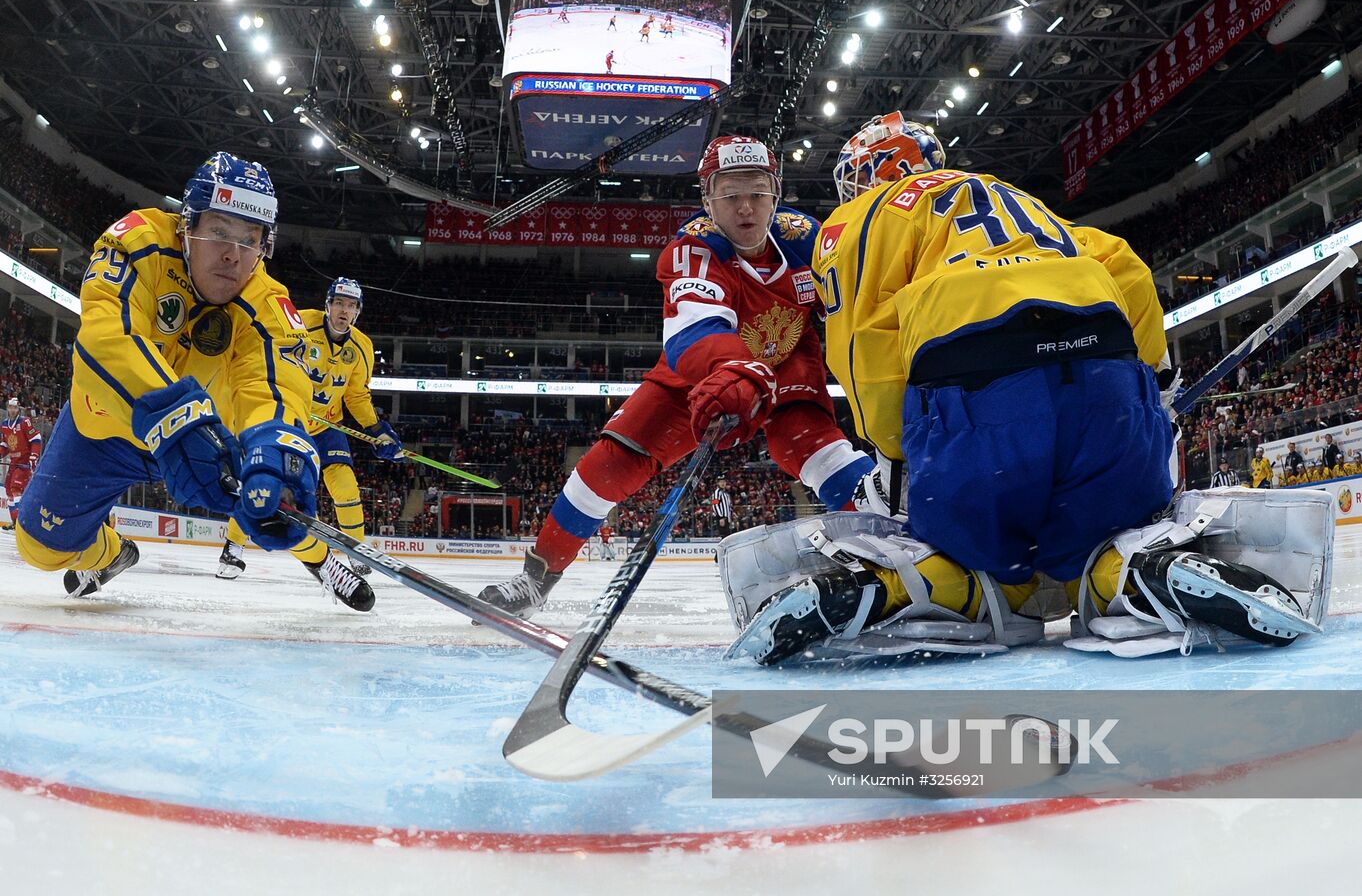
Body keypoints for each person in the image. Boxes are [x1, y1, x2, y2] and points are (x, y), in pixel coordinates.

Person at [723, 113, 1326, 664]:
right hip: (1105, 368)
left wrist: (893, 451)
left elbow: (862, 347)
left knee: (977, 557)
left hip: (974, 383)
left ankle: (906, 584)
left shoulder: (858, 218)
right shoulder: (1011, 197)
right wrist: (1155, 386)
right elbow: (1127, 268)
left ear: (862, 177)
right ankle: (1136, 570)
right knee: (1106, 534)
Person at [478, 135, 873, 618]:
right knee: (609, 464)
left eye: (757, 192)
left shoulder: (810, 239)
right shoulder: (692, 248)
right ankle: (537, 579)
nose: (745, 208)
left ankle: (895, 555)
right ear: (708, 200)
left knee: (818, 450)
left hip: (786, 362)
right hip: (700, 375)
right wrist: (732, 368)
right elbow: (693, 334)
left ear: (776, 193)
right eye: (730, 196)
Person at [12, 152, 373, 609]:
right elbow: (107, 337)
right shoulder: (137, 242)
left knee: (271, 488)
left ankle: (321, 560)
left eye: (250, 240)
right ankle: (112, 552)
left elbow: (276, 382)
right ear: (186, 223)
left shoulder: (266, 301)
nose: (233, 255)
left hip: (209, 434)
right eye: (219, 230)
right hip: (108, 428)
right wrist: (177, 417)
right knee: (39, 547)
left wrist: (276, 439)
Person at [218, 278, 401, 585]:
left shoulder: (362, 347)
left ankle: (357, 554)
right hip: (289, 419)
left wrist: (377, 429)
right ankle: (233, 546)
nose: (344, 311)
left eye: (351, 306)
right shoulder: (301, 325)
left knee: (346, 487)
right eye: (339, 303)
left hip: (327, 426)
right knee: (264, 483)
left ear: (358, 312)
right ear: (327, 305)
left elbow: (356, 396)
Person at [2, 397, 42, 523]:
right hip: (14, 462)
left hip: (24, 462)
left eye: (14, 407)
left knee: (16, 488)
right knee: (8, 491)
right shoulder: (4, 424)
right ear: (7, 408)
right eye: (10, 407)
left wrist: (34, 456)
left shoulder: (25, 422)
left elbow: (36, 438)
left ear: (18, 408)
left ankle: (21, 523)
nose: (12, 410)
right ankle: (15, 523)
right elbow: (5, 445)